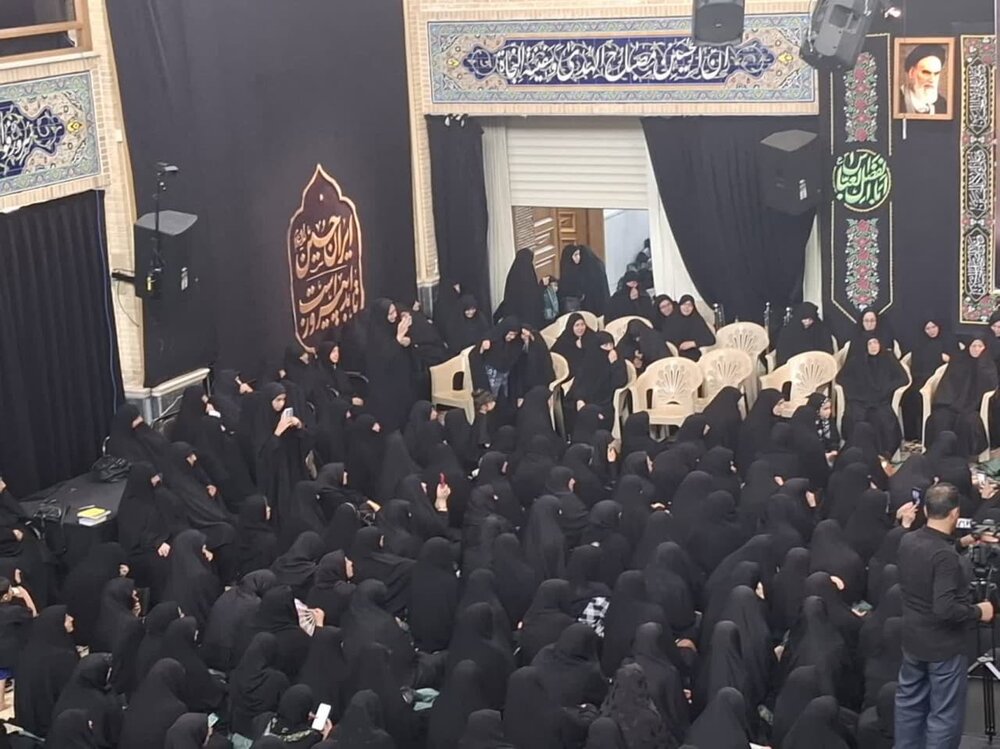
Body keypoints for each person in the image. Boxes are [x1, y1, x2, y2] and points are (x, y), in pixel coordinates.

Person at [895, 482, 994, 747]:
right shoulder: (944, 557)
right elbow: (945, 609)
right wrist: (979, 611)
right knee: (944, 716)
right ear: (955, 513)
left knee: (908, 707)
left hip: (912, 641)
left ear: (927, 510)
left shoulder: (908, 540)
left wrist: (964, 542)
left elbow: (933, 559)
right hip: (944, 648)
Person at [925, 333, 998, 456]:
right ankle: (938, 454)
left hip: (974, 407)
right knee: (939, 418)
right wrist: (952, 402)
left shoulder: (987, 364)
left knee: (968, 423)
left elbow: (990, 386)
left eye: (980, 346)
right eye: (973, 346)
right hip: (951, 403)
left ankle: (961, 456)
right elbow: (948, 383)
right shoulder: (958, 361)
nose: (976, 349)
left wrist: (981, 364)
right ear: (968, 347)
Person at [837, 335, 908, 457]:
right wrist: (858, 391)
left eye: (876, 343)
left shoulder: (888, 358)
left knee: (882, 418)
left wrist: (886, 388)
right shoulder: (856, 360)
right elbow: (842, 378)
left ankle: (883, 454)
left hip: (881, 399)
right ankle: (857, 452)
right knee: (855, 416)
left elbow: (903, 378)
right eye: (870, 344)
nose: (873, 346)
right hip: (860, 399)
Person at [776, 302, 834, 366]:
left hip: (817, 365)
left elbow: (827, 351)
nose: (807, 322)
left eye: (810, 319)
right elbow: (783, 354)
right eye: (805, 319)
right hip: (793, 366)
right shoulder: (788, 331)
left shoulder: (821, 330)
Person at [558, 244, 609, 316]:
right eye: (576, 255)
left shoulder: (588, 269)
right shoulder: (572, 269)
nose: (578, 257)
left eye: (579, 254)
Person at [661, 295, 714, 361]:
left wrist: (693, 343)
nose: (686, 307)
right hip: (674, 357)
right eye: (684, 304)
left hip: (693, 356)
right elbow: (666, 341)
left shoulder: (696, 320)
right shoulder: (671, 320)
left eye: (689, 305)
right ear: (680, 306)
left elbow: (711, 339)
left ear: (693, 307)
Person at [900, 44, 948, 115]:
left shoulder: (943, 105)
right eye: (926, 72)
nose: (932, 79)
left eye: (936, 74)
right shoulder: (897, 100)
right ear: (911, 73)